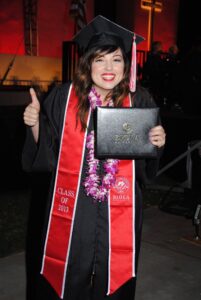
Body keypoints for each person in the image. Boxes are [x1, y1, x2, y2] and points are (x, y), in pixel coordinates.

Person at [22, 15, 166, 300]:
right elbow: (47, 152)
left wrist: (158, 142)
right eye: (100, 60)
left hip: (120, 204)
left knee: (116, 275)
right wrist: (35, 123)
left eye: (116, 59)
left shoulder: (139, 100)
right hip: (75, 205)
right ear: (88, 64)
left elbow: (148, 160)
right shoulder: (65, 98)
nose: (109, 68)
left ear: (127, 65)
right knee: (66, 273)